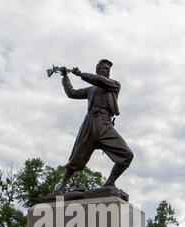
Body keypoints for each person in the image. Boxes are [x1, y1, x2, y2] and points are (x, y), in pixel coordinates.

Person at [54, 59, 134, 193]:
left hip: (105, 124)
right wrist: (65, 77)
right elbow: (72, 93)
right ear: (98, 70)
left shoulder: (114, 85)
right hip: (90, 123)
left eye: (108, 69)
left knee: (127, 155)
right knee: (76, 157)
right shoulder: (91, 89)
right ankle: (62, 186)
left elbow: (99, 81)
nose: (107, 71)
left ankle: (110, 182)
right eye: (104, 68)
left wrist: (81, 74)